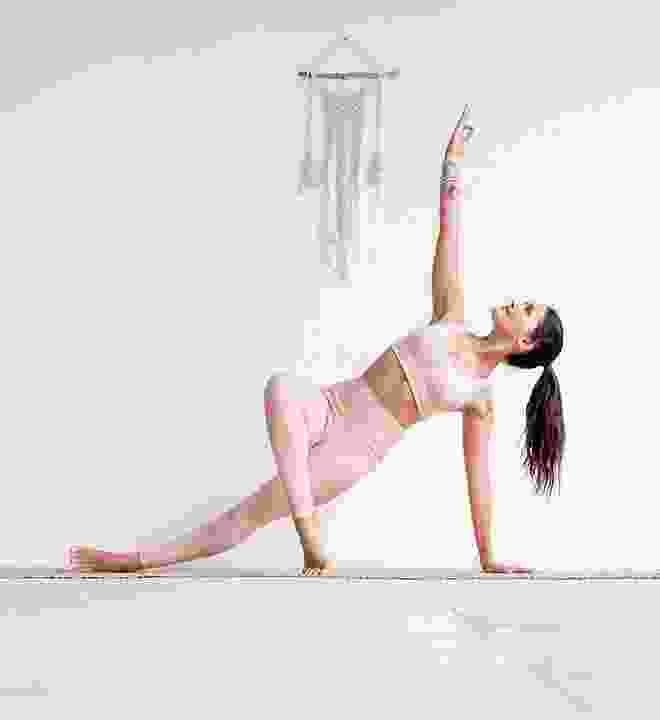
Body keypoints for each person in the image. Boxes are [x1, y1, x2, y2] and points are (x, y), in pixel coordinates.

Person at [66, 106, 565, 577]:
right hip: (330, 404)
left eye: (525, 309)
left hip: (353, 452)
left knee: (248, 514)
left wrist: (489, 557)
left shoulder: (479, 400)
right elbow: (449, 231)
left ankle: (137, 560)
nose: (514, 302)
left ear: (525, 342)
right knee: (280, 387)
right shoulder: (450, 316)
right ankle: (309, 537)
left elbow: (478, 481)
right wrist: (453, 158)